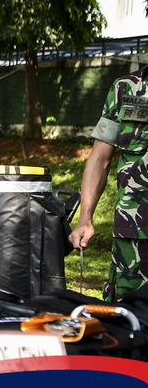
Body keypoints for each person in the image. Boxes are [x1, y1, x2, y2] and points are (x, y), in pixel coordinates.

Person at [70, 66, 148, 301]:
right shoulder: (125, 88)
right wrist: (85, 218)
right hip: (135, 234)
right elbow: (100, 157)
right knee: (129, 320)